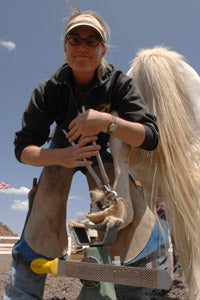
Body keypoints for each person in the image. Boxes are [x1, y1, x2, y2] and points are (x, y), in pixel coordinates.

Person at [3, 9, 159, 300]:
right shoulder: (48, 91)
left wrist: (107, 123)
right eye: (75, 40)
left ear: (102, 50)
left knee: (125, 219)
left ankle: (135, 291)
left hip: (108, 151)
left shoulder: (120, 84)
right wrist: (61, 156)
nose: (82, 47)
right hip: (63, 150)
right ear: (65, 47)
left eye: (91, 41)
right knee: (42, 220)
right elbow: (23, 150)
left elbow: (150, 137)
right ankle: (20, 293)